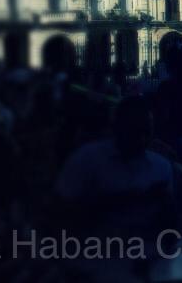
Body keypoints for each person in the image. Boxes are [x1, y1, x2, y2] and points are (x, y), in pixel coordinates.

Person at [54, 96, 175, 241]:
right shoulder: (87, 158)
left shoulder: (162, 167)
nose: (141, 139)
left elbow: (169, 224)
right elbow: (61, 211)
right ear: (116, 127)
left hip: (145, 253)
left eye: (146, 132)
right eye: (135, 131)